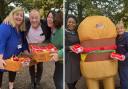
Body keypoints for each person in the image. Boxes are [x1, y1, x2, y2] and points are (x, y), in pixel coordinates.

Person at [0, 7, 28, 89]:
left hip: (13, 57)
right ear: (12, 15)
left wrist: (26, 53)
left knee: (13, 69)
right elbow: (1, 42)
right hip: (2, 56)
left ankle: (11, 85)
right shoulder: (5, 26)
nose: (19, 17)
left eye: (21, 15)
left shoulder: (20, 28)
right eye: (17, 14)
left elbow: (22, 42)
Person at [25, 9, 51, 89]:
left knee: (40, 65)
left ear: (40, 18)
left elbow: (49, 37)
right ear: (29, 18)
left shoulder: (45, 24)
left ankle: (38, 81)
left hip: (41, 49)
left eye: (36, 17)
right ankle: (33, 81)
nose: (34, 20)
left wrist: (43, 45)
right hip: (30, 49)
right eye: (32, 18)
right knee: (31, 65)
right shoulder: (26, 24)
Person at [47, 9, 63, 89]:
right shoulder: (52, 28)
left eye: (52, 17)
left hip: (63, 61)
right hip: (58, 60)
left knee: (58, 80)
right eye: (48, 17)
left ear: (56, 19)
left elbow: (67, 46)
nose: (49, 19)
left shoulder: (61, 31)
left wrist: (59, 54)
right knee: (57, 79)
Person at [65, 15, 81, 89]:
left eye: (73, 22)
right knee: (69, 78)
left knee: (77, 76)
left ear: (76, 24)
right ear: (67, 23)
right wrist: (69, 47)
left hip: (77, 57)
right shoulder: (64, 32)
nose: (71, 24)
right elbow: (60, 46)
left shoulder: (77, 33)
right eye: (69, 22)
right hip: (69, 58)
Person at [116, 21, 128, 89]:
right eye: (117, 28)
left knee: (124, 78)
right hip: (119, 60)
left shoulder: (127, 37)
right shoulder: (117, 37)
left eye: (121, 28)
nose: (119, 30)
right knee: (121, 76)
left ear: (124, 28)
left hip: (125, 61)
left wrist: (125, 56)